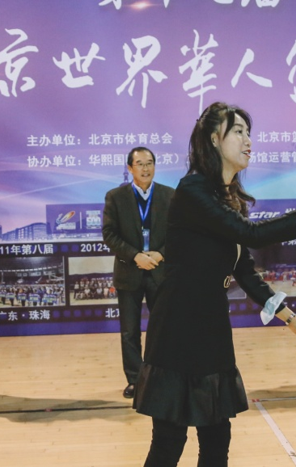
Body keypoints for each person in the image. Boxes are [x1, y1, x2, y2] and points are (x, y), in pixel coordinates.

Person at [133, 101, 296, 467]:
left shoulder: (227, 198)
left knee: (217, 439)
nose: (248, 140)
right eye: (238, 131)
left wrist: (292, 320)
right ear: (213, 139)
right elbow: (251, 235)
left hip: (212, 330)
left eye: (249, 132)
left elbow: (245, 270)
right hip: (178, 331)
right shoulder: (192, 190)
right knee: (169, 441)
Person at [102, 146, 175, 399]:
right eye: (140, 164)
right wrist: (135, 256)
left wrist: (160, 254)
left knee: (163, 329)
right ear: (130, 168)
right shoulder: (115, 197)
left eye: (150, 163)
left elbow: (179, 232)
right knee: (130, 332)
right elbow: (109, 234)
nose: (146, 168)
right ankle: (135, 380)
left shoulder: (170, 195)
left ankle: (163, 376)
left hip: (159, 270)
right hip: (129, 271)